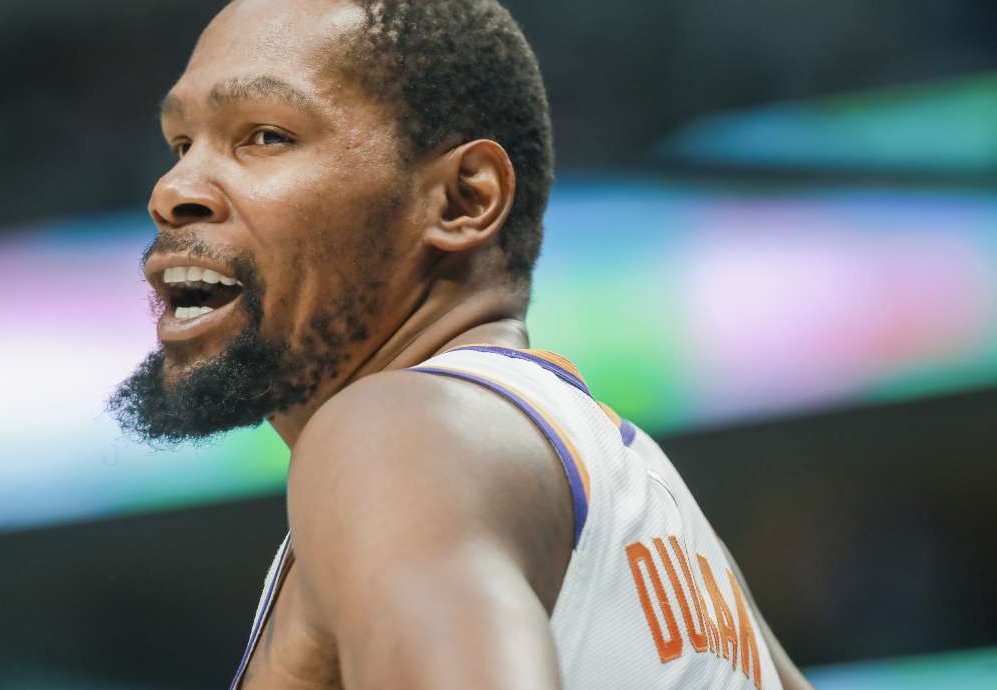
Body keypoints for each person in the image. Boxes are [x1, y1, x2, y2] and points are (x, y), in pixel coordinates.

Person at [109, 0, 814, 688]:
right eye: (180, 144)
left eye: (265, 135)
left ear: (463, 199)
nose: (173, 190)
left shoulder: (395, 434)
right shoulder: (656, 512)